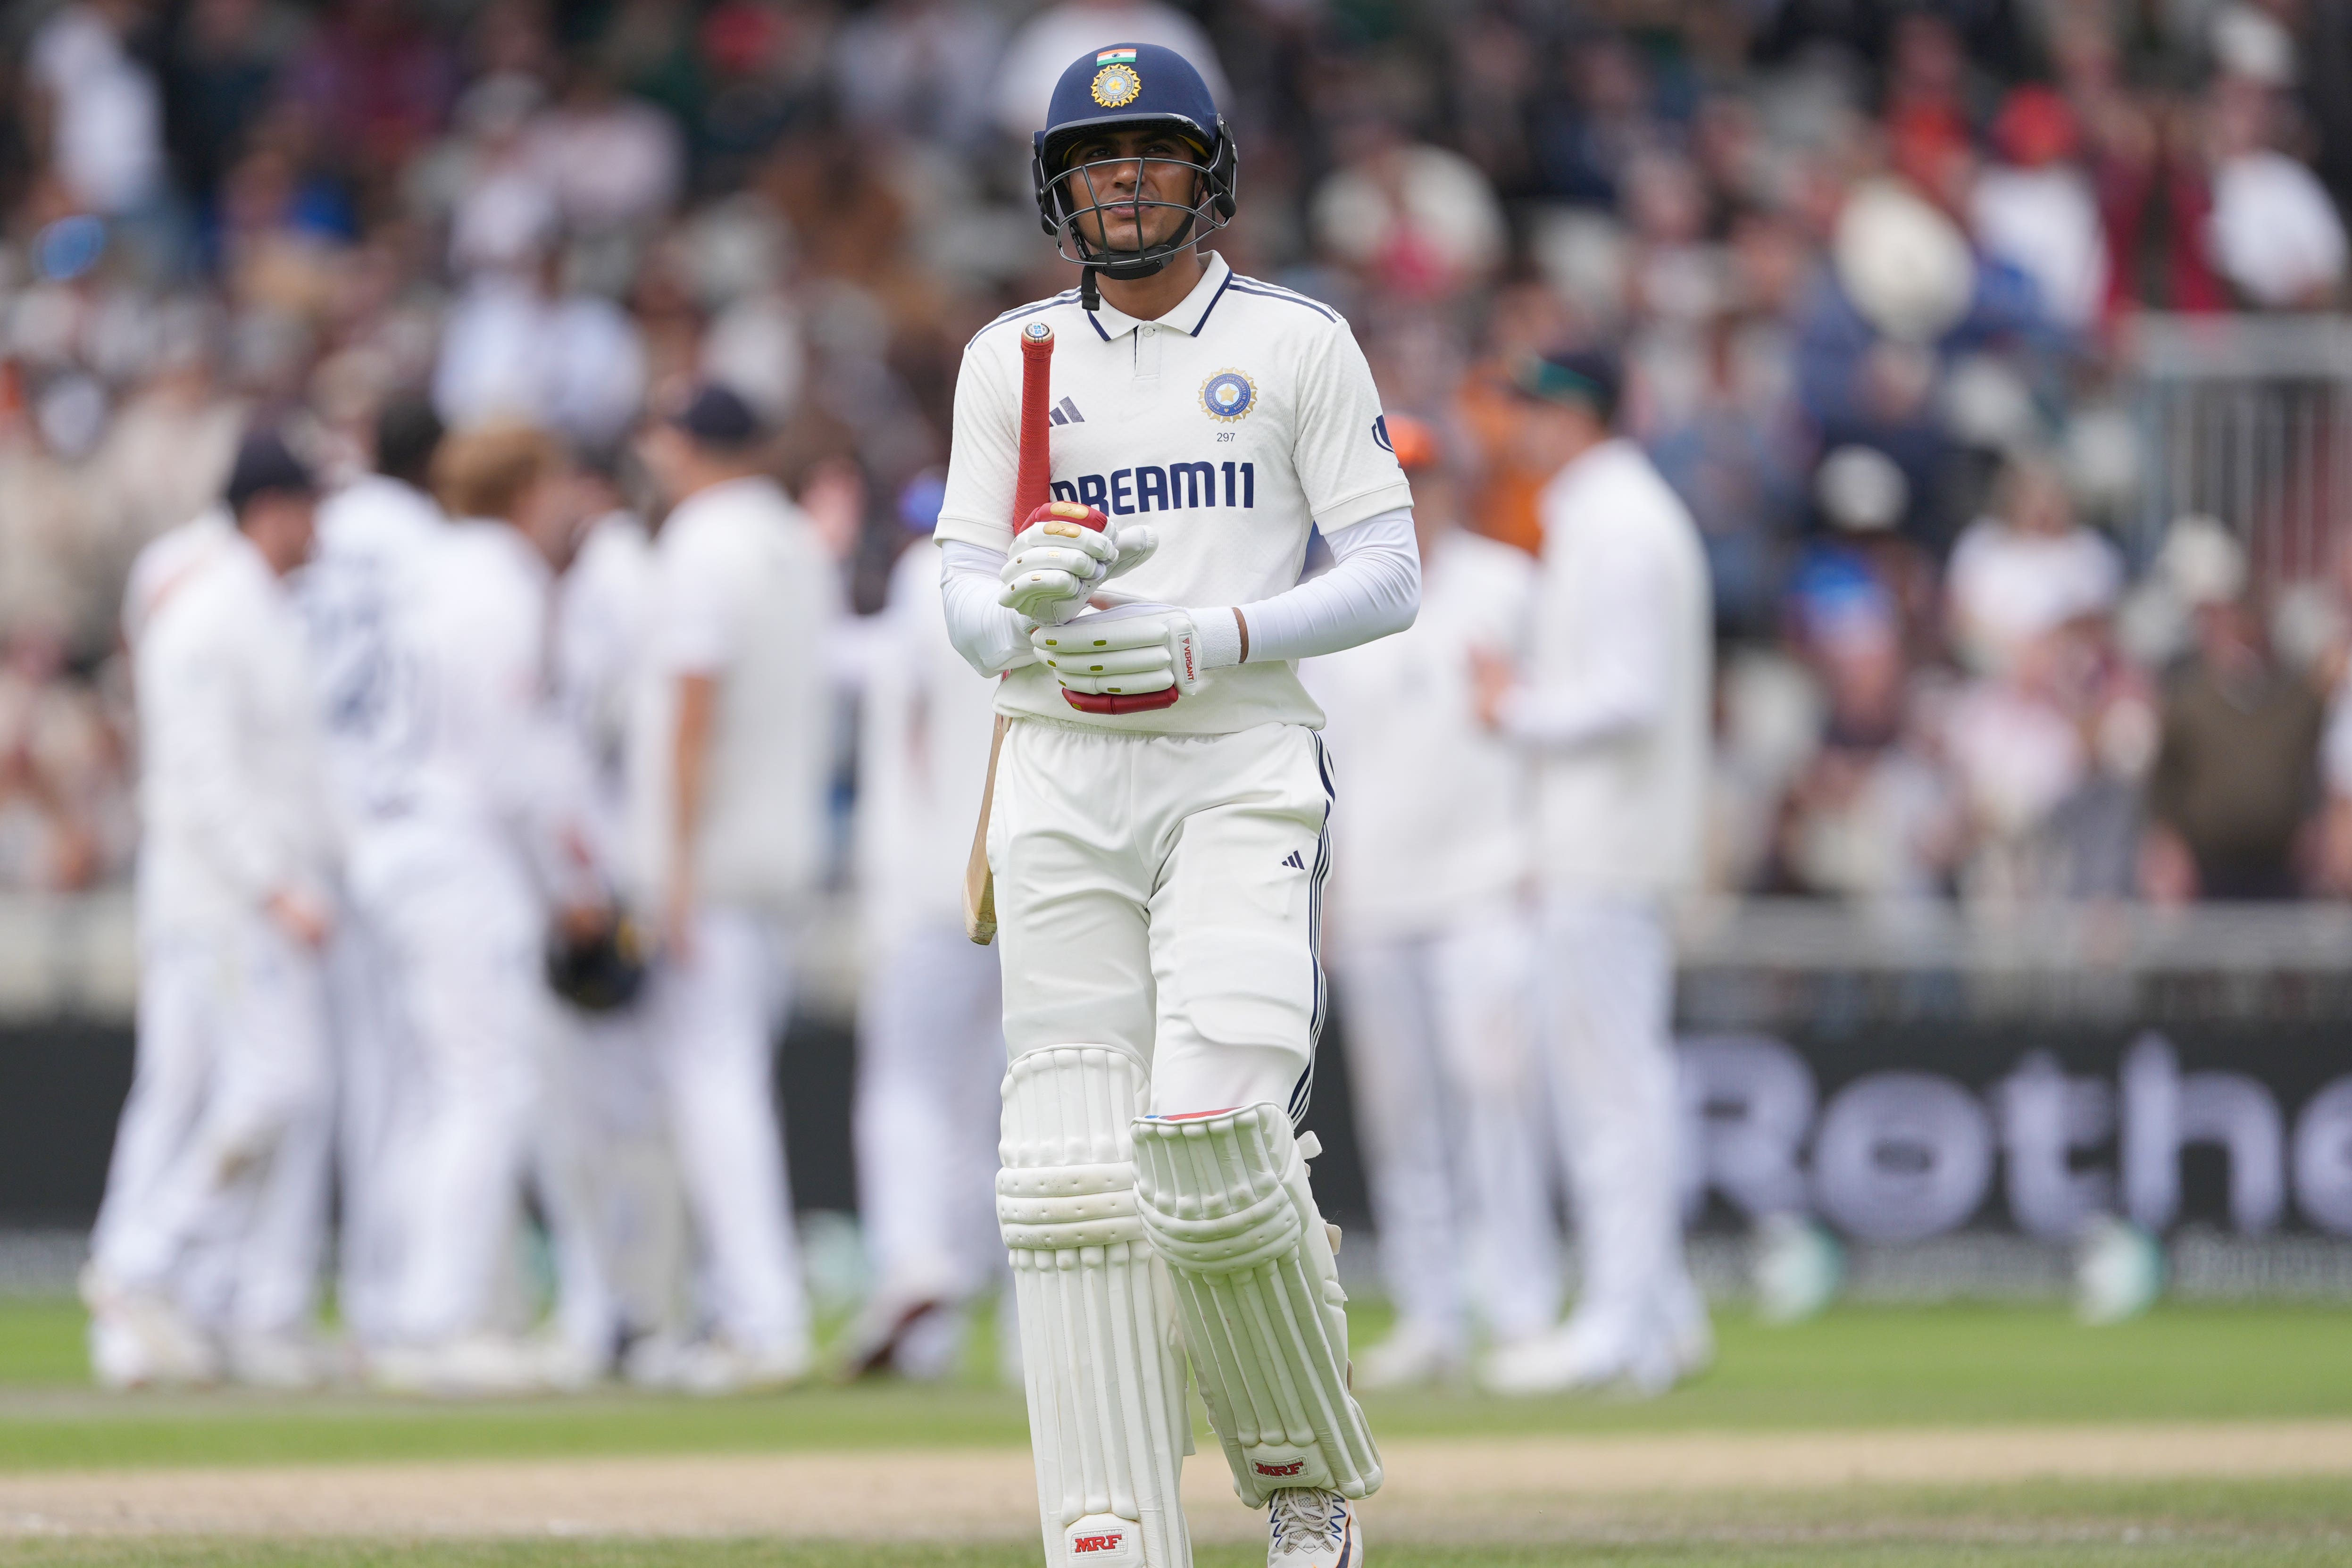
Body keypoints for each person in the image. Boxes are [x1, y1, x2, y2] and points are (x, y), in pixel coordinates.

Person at [937, 44, 1417, 1568]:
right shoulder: (1007, 357)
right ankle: (1111, 1526)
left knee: (1211, 1140)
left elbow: (1389, 574)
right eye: (1096, 158)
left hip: (1235, 760)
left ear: (1204, 175)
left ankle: (1301, 1491)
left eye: (1151, 153)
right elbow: (956, 600)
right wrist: (1010, 602)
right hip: (1057, 767)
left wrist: (1217, 634)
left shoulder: (1294, 343)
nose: (1123, 179)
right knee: (1073, 1182)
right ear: (1055, 187)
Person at [1470, 347, 1714, 1397]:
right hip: (1600, 847)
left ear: (1574, 419)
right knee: (1619, 1084)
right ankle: (1654, 1313)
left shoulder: (1617, 524)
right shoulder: (1613, 516)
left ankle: (1621, 1322)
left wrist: (1510, 707)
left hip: (1605, 850)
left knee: (1612, 1089)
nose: (1518, 426)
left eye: (1532, 408)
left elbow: (1628, 695)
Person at [1301, 416, 1559, 1389]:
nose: (1412, 499)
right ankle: (1432, 1312)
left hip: (1490, 883)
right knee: (1405, 1119)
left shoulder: (1508, 585)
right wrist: (1322, 902)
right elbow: (1319, 765)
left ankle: (1523, 1306)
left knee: (1498, 1096)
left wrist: (1543, 856)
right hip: (1377, 897)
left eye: (1423, 479)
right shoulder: (1332, 602)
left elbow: (1543, 727)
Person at [84, 430, 337, 1389]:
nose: (322, 529)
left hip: (241, 895)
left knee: (202, 1095)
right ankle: (140, 1271)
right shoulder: (207, 609)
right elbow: (200, 776)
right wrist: (275, 883)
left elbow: (288, 769)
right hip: (216, 900)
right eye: (311, 508)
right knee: (255, 1086)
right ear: (272, 510)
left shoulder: (263, 609)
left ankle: (168, 1298)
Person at [367, 422, 605, 1393]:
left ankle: (410, 1305)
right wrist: (572, 880)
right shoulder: (500, 582)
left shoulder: (425, 570)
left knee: (439, 1086)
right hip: (455, 843)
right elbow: (512, 756)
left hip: (401, 832)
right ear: (526, 487)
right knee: (487, 1082)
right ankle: (435, 1319)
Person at [624, 384, 834, 1393]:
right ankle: (741, 1308)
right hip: (781, 856)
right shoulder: (796, 540)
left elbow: (691, 713)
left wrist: (668, 870)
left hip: (709, 864)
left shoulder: (702, 540)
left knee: (713, 1095)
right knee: (729, 1088)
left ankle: (760, 1317)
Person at [841, 476, 1012, 1381]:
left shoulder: (922, 580)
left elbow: (894, 725)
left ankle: (917, 1263)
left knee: (907, 1088)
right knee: (1012, 1099)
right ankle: (1018, 1321)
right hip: (1032, 871)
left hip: (931, 883)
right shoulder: (1043, 572)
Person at [297, 396, 447, 1354]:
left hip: (309, 807)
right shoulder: (434, 539)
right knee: (406, 1073)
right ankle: (387, 1291)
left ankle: (275, 1290)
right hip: (397, 811)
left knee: (315, 1071)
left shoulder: (323, 522)